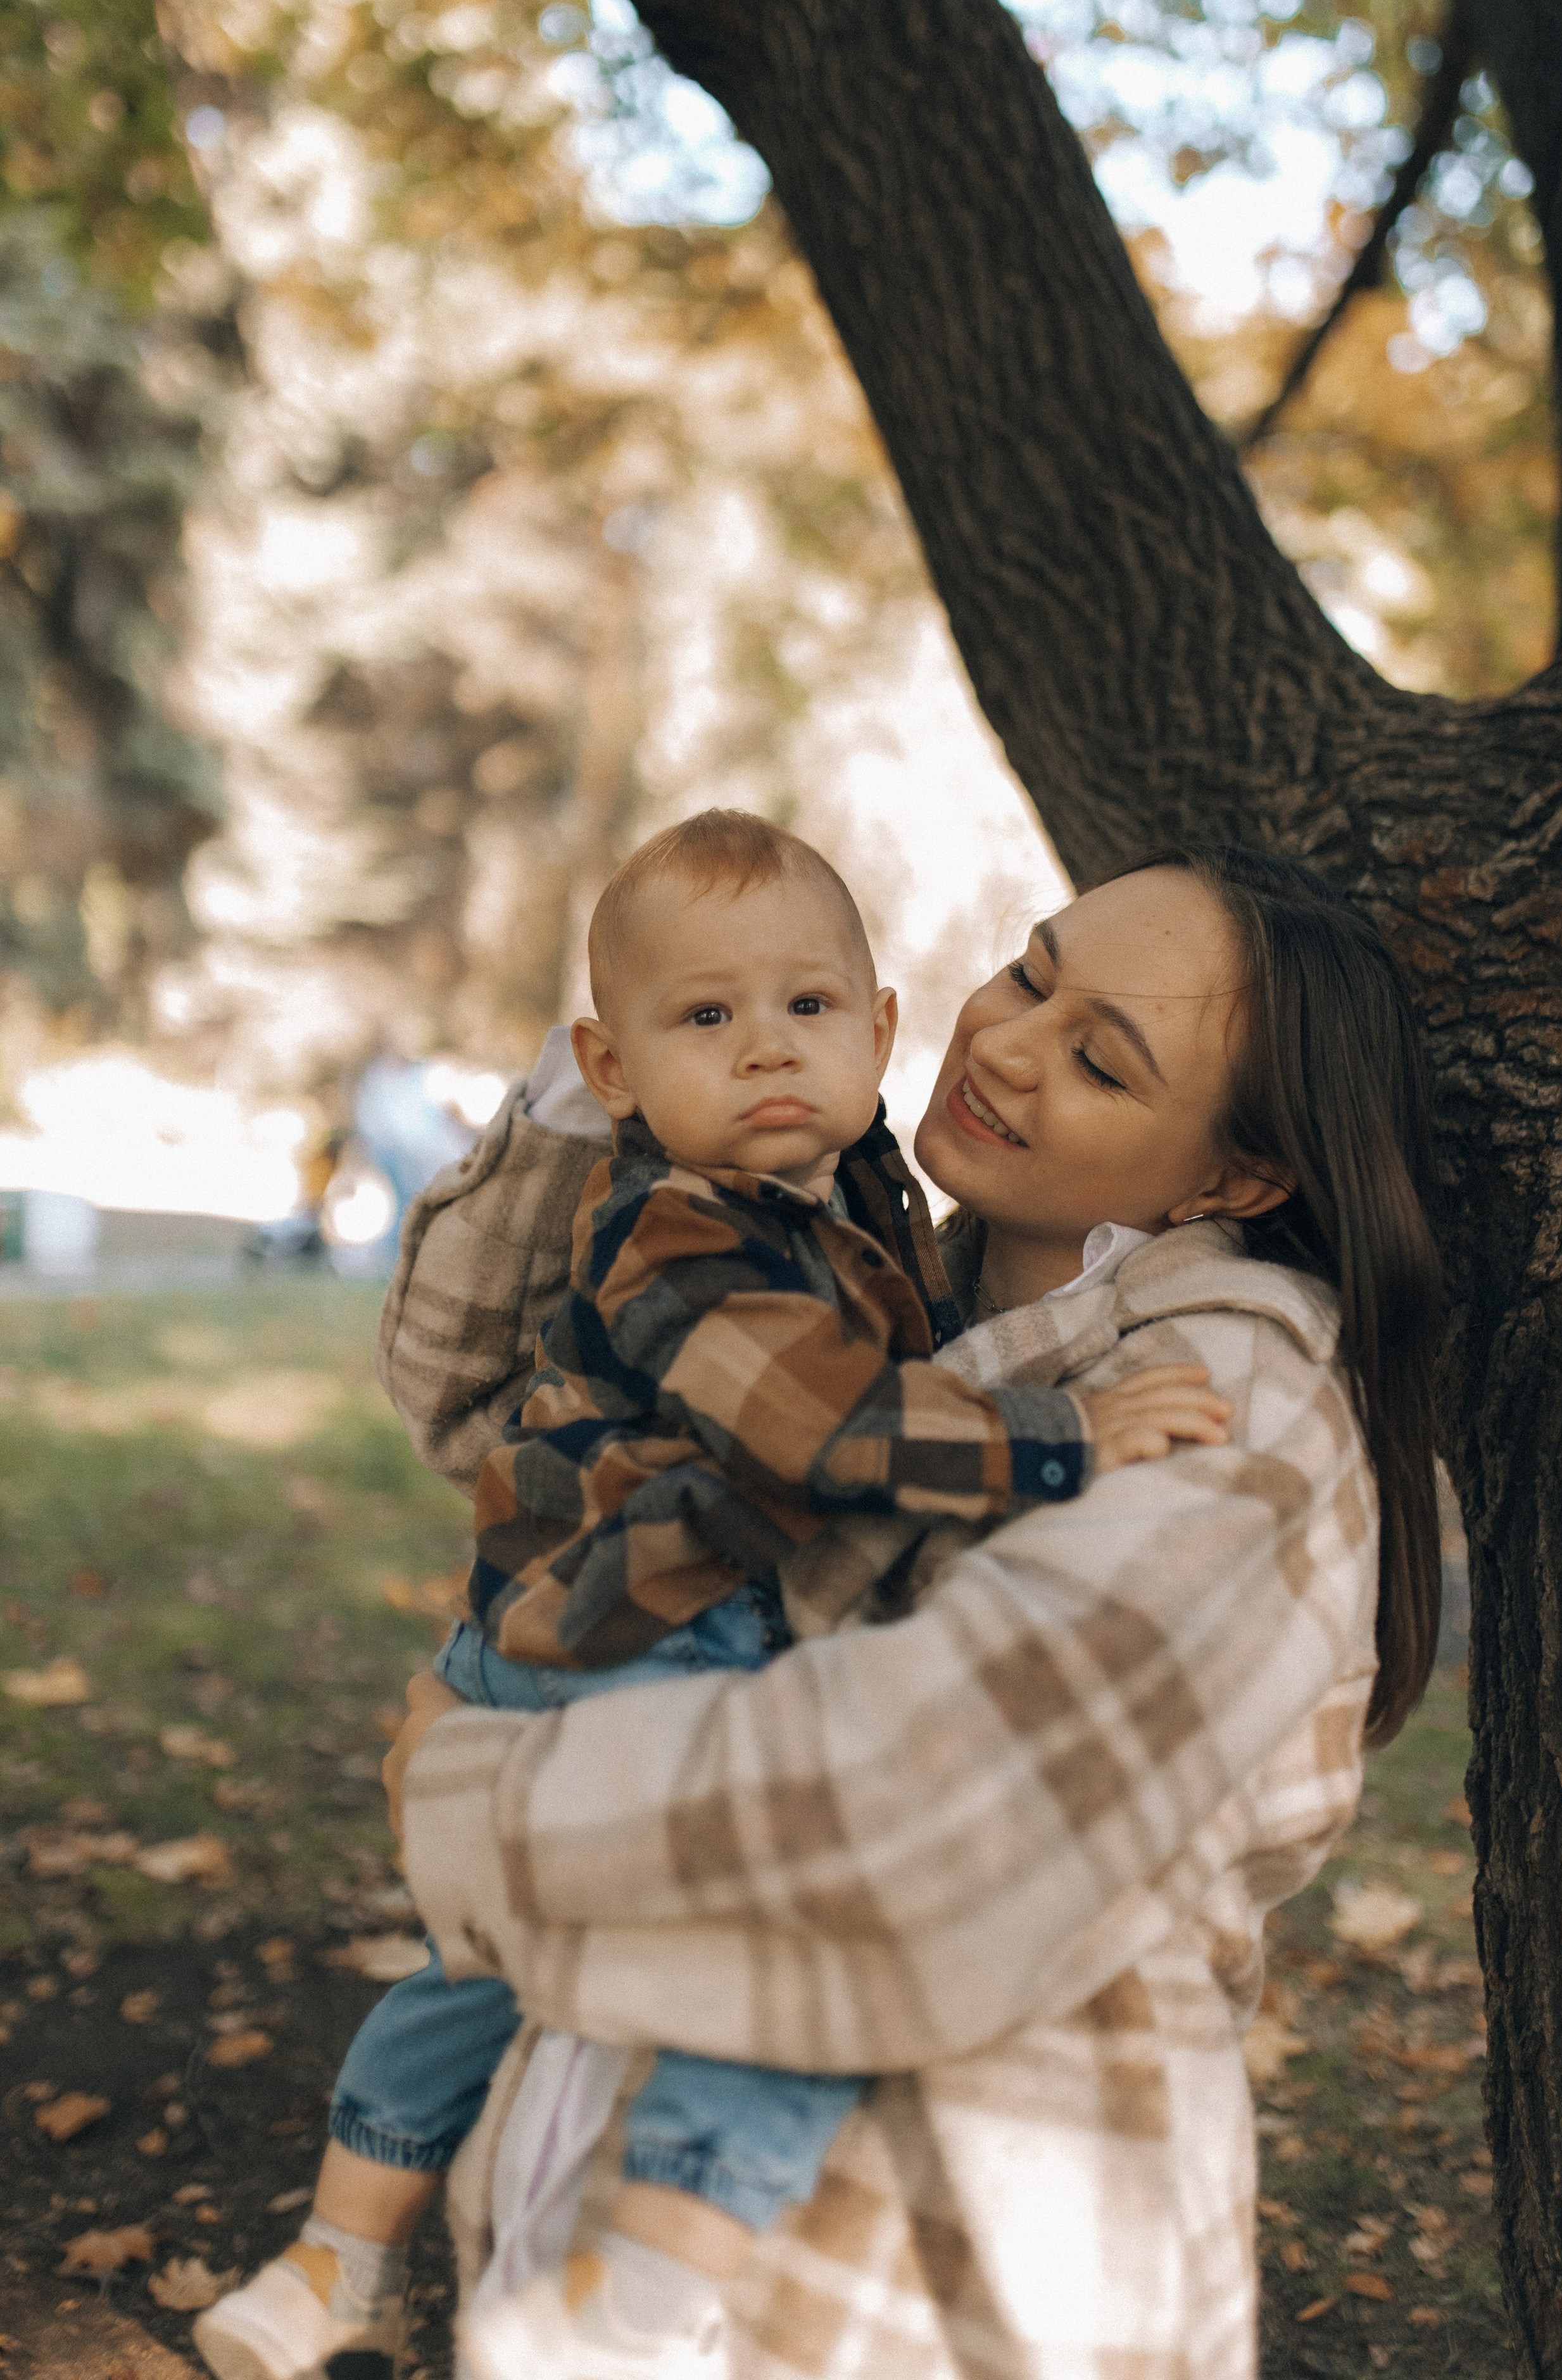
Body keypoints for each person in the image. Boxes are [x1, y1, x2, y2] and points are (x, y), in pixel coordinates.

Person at [370, 842, 1444, 2380]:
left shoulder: (1231, 1406)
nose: (1003, 1042)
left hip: (913, 2273)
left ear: (1231, 1179)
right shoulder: (874, 1280)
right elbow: (483, 1407)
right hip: (620, 2206)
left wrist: (476, 1801)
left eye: (1099, 1059)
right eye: (1029, 973)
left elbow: (930, 1804)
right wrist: (623, 1074)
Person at [194, 815, 1225, 2380]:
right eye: (704, 1019)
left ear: (878, 1029)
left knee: (487, 1966)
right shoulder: (677, 1229)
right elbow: (818, 1427)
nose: (765, 1051)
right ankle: (658, 2271)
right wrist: (1064, 1435)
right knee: (792, 1935)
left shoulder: (846, 1182)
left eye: (808, 1008)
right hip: (640, 1640)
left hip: (567, 1622)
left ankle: (335, 2260)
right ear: (612, 1073)